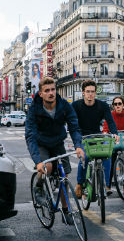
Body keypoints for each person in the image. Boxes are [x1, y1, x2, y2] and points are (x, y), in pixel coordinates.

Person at [25, 77, 84, 224]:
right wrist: (38, 161)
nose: (51, 93)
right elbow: (30, 135)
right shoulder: (34, 109)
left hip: (58, 142)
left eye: (53, 89)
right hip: (41, 142)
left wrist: (78, 145)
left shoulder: (64, 105)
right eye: (47, 91)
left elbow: (74, 126)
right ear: (40, 94)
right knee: (47, 167)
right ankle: (38, 187)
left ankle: (66, 211)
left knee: (64, 177)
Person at [73, 80, 119, 198]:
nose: (90, 94)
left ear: (95, 93)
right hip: (82, 137)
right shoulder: (75, 105)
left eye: (92, 92)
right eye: (88, 92)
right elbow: (70, 121)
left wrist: (114, 133)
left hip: (96, 136)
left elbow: (110, 121)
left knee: (107, 155)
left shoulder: (102, 105)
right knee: (85, 156)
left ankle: (106, 185)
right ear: (83, 92)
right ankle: (79, 183)